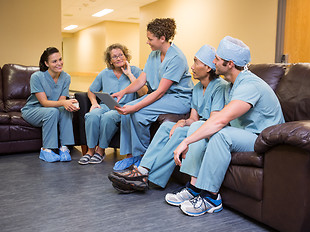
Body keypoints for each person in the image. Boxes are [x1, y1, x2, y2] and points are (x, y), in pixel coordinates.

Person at [165, 36, 285, 216]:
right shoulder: (231, 85)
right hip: (244, 133)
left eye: (217, 59)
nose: (213, 61)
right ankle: (194, 188)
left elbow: (221, 120)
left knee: (221, 134)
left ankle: (211, 198)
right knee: (200, 124)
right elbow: (217, 120)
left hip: (263, 139)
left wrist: (187, 141)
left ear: (229, 64)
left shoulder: (250, 85)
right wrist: (196, 130)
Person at [108, 45, 228, 193]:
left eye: (196, 62)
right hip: (197, 125)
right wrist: (181, 122)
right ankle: (142, 170)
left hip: (209, 130)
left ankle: (151, 178)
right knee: (167, 127)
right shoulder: (197, 88)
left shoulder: (220, 87)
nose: (192, 66)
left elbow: (213, 121)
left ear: (208, 67)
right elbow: (193, 118)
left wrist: (185, 127)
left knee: (178, 133)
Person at [111, 18, 194, 171]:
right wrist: (123, 92)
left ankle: (143, 156)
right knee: (127, 108)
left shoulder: (176, 58)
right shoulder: (154, 54)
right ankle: (132, 155)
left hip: (179, 98)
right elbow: (142, 79)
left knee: (137, 113)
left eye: (150, 39)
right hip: (163, 95)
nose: (147, 42)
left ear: (162, 38)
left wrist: (135, 107)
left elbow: (160, 91)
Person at [78, 43, 147, 165]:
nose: (119, 58)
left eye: (121, 55)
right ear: (110, 61)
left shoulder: (136, 71)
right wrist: (94, 103)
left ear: (126, 56)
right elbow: (91, 90)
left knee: (108, 117)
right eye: (115, 57)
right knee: (91, 116)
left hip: (125, 108)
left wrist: (129, 74)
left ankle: (100, 151)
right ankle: (90, 151)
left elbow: (143, 93)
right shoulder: (104, 73)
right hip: (106, 105)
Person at [21, 47, 79, 162]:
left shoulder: (66, 77)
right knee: (53, 111)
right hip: (33, 110)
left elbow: (62, 101)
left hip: (54, 108)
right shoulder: (36, 77)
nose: (59, 63)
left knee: (65, 109)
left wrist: (70, 105)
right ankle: (46, 150)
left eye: (60, 59)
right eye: (54, 61)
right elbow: (44, 102)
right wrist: (63, 103)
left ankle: (64, 148)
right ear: (46, 63)